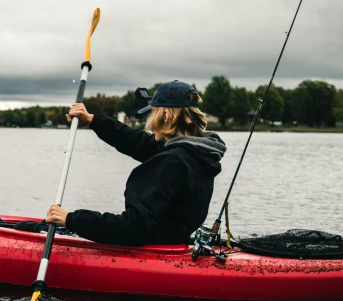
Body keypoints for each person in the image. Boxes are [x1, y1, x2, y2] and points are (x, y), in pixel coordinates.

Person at [44, 80, 227, 246]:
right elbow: (137, 142)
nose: (149, 123)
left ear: (165, 116)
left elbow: (134, 228)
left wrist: (72, 219)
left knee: (28, 227)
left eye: (152, 114)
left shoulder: (172, 161)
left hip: (154, 250)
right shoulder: (197, 153)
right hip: (172, 242)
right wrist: (93, 120)